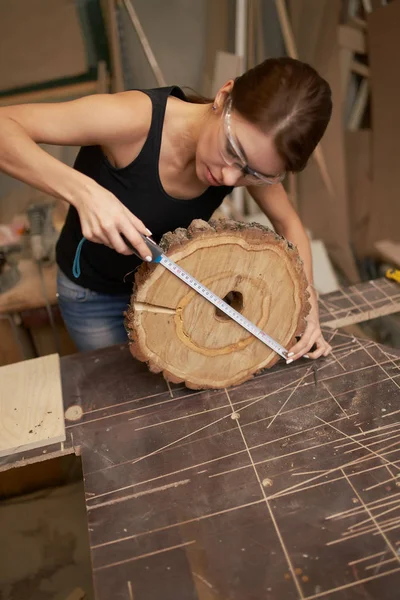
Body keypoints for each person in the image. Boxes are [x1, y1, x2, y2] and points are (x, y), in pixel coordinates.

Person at [0, 57, 332, 360]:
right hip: (95, 296)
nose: (230, 175)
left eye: (254, 173)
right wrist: (84, 192)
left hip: (169, 293)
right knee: (121, 401)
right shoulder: (134, 119)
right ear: (223, 97)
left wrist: (307, 300)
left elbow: (289, 224)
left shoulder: (251, 158)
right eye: (232, 150)